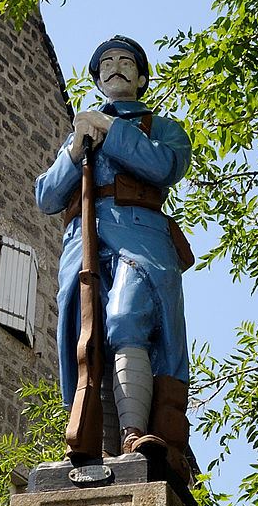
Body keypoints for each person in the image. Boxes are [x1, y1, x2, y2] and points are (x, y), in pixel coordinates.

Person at [35, 35, 193, 481]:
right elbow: (46, 196)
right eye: (106, 63)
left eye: (127, 62)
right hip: (82, 245)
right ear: (97, 77)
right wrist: (75, 148)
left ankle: (135, 434)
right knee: (85, 338)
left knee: (127, 319)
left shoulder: (161, 128)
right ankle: (90, 444)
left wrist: (112, 132)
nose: (116, 67)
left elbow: (165, 167)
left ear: (142, 78)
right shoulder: (81, 130)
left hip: (141, 240)